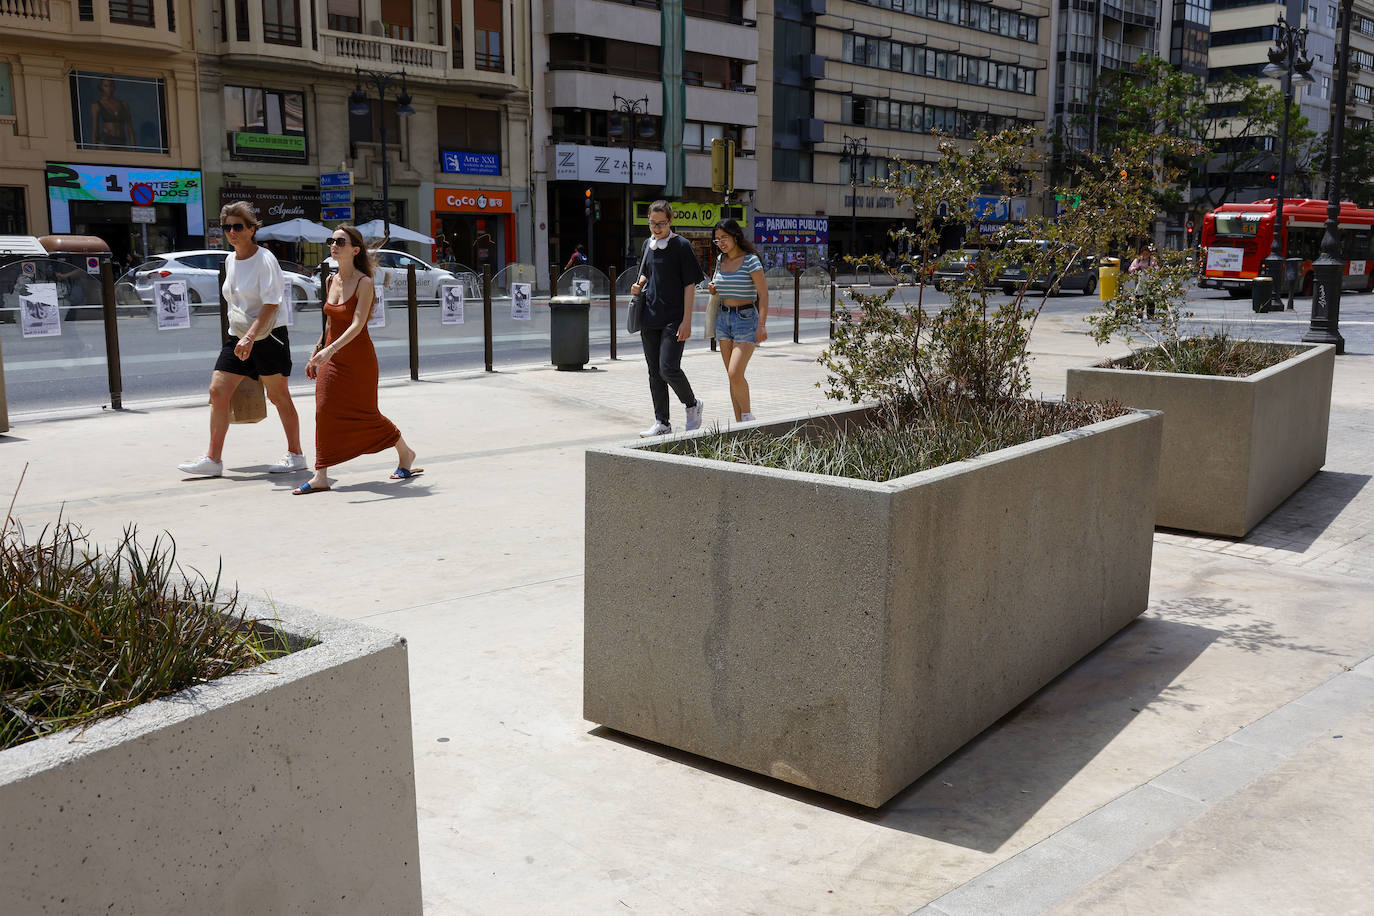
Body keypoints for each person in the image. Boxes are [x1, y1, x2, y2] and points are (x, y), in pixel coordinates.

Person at [177, 202, 305, 479]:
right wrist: (243, 336)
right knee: (217, 391)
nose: (232, 232)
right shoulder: (230, 260)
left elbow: (271, 304)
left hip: (268, 337)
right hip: (238, 336)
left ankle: (296, 454)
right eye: (227, 227)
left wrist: (250, 337)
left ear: (252, 229)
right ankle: (213, 459)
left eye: (238, 227)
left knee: (278, 396)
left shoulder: (265, 259)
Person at [293, 224, 422, 495]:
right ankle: (321, 474)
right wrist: (317, 350)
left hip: (358, 358)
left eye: (340, 241)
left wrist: (330, 350)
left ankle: (406, 453)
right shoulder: (330, 280)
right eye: (332, 241)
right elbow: (330, 323)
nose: (334, 245)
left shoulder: (365, 282)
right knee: (323, 410)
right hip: (332, 354)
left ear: (355, 249)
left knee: (366, 414)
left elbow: (357, 323)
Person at [630, 200, 705, 436]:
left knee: (668, 367)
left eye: (661, 223)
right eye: (652, 223)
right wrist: (639, 284)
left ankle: (692, 403)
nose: (656, 228)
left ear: (670, 221)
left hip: (674, 317)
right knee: (654, 372)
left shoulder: (681, 246)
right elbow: (645, 274)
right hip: (650, 316)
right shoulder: (647, 245)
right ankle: (662, 422)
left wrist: (687, 321)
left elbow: (689, 284)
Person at [708, 219, 769, 422]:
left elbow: (763, 293)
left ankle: (748, 417)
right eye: (717, 240)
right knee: (732, 378)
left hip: (746, 319)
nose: (721, 242)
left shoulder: (750, 260)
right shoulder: (720, 260)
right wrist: (714, 288)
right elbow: (719, 285)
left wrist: (762, 325)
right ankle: (739, 424)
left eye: (724, 237)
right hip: (723, 319)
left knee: (735, 373)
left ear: (735, 236)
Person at [90, 78, 134, 149]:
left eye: (111, 86)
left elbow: (130, 129)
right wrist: (94, 151)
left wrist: (134, 150)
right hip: (106, 141)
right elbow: (95, 130)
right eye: (106, 86)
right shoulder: (96, 105)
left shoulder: (123, 104)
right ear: (101, 87)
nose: (109, 89)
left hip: (121, 141)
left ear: (114, 87)